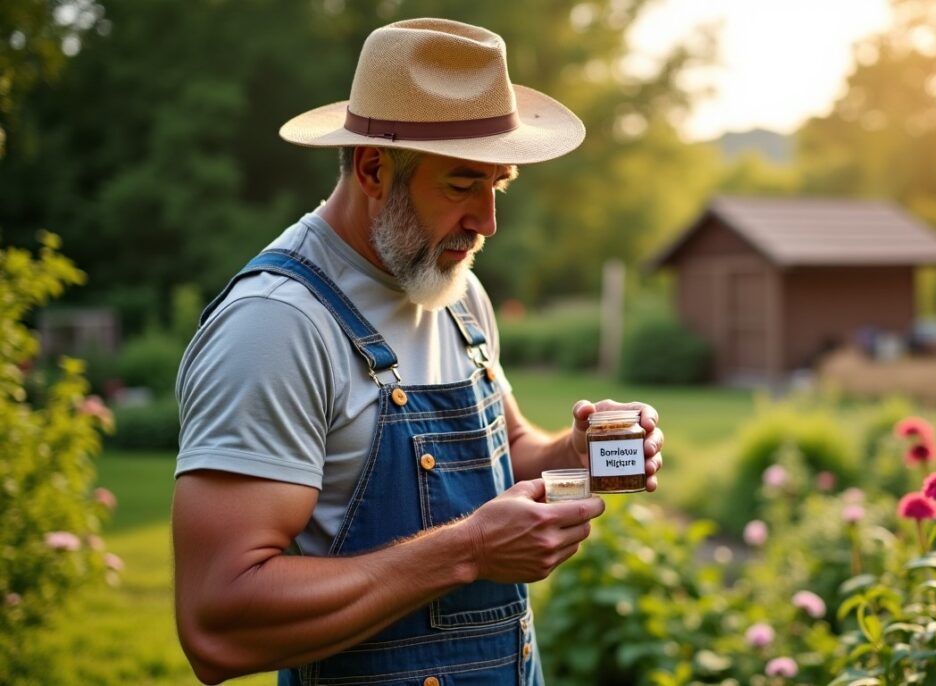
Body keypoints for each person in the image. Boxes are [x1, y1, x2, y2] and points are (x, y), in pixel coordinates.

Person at [171, 17, 664, 686]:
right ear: (374, 168)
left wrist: (572, 453)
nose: (488, 221)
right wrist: (468, 550)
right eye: (463, 185)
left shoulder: (456, 291)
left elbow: (505, 450)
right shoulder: (277, 328)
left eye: (500, 185)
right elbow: (217, 623)